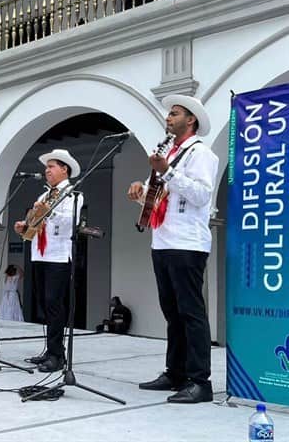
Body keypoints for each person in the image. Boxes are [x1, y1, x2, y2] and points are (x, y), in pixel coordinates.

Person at [127, 94, 218, 404]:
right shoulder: (169, 152)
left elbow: (201, 195)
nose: (168, 118)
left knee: (191, 312)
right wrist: (141, 192)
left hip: (187, 242)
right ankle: (175, 372)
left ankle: (199, 381)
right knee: (172, 311)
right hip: (163, 239)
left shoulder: (200, 154)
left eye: (175, 113)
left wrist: (166, 171)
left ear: (190, 120)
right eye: (169, 114)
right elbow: (162, 199)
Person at [14, 149, 83, 373]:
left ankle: (57, 355)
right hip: (40, 253)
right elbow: (34, 225)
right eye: (47, 167)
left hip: (58, 256)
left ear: (65, 169)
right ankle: (50, 349)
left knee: (54, 304)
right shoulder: (44, 195)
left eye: (51, 166)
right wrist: (24, 227)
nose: (47, 170)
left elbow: (69, 223)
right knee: (44, 303)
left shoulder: (73, 194)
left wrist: (48, 212)